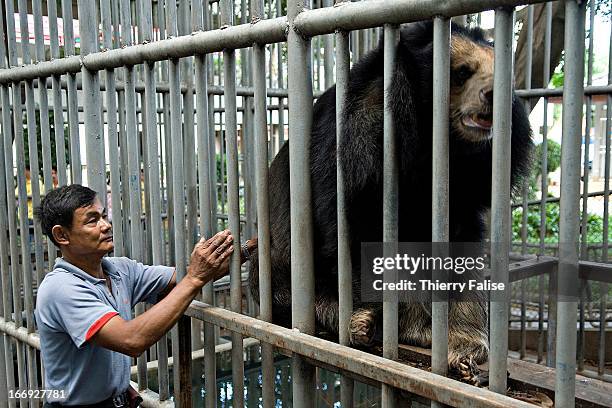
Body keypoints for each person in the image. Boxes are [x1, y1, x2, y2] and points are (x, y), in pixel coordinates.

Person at [34, 184, 256, 407]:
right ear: (62, 235)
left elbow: (187, 275)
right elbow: (131, 340)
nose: (106, 225)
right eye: (93, 220)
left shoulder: (120, 270)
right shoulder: (61, 288)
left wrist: (255, 246)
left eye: (103, 216)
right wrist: (194, 280)